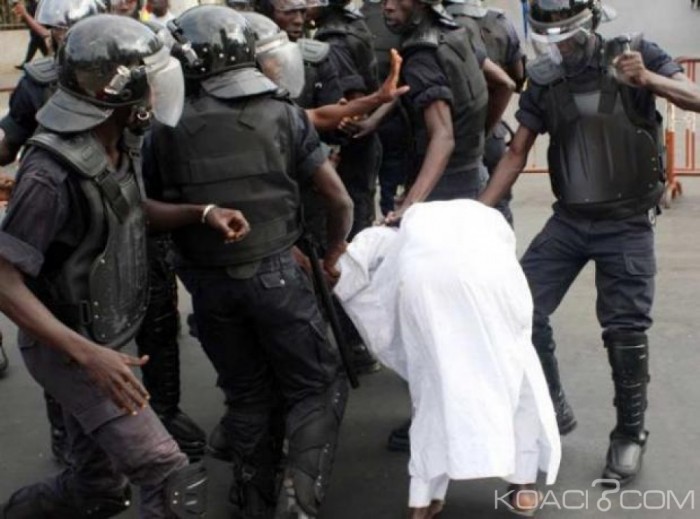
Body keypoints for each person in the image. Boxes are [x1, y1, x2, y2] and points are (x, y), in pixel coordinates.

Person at [0, 13, 253, 517]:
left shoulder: (117, 143)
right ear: (120, 94)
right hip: (74, 349)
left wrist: (201, 213)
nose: (157, 98)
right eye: (150, 86)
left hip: (110, 337)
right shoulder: (48, 173)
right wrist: (89, 357)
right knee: (169, 470)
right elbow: (4, 280)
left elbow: (127, 208)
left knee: (97, 487)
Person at [479, 0, 700, 487]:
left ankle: (629, 432)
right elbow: (517, 152)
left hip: (626, 221)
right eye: (549, 38)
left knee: (625, 330)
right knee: (520, 307)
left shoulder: (635, 54)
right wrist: (478, 211)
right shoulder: (544, 77)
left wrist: (650, 81)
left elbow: (694, 96)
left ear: (593, 23)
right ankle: (551, 407)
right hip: (570, 221)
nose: (559, 47)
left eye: (568, 37)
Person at [152, 6, 354, 517]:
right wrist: (332, 254)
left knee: (246, 393)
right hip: (278, 274)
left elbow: (147, 211)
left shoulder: (164, 129)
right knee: (317, 383)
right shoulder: (284, 112)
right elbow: (340, 201)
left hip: (208, 285)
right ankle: (300, 496)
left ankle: (252, 492)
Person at [335, 200, 561, 517]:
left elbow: (346, 273)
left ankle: (423, 500)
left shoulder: (385, 236)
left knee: (433, 387)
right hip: (489, 279)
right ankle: (523, 485)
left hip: (424, 283)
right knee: (517, 376)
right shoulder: (483, 218)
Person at [362, 0, 514, 453]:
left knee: (432, 325)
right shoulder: (460, 33)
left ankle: (438, 423)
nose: (387, 5)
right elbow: (503, 83)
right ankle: (508, 417)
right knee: (487, 314)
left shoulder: (421, 52)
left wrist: (411, 204)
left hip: (444, 203)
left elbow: (441, 136)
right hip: (476, 183)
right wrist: (481, 137)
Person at [445, 0, 525, 225]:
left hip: (453, 134)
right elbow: (518, 77)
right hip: (493, 129)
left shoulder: (439, 25)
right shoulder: (501, 22)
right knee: (499, 208)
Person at [12, 0, 51, 69]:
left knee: (34, 45)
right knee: (41, 46)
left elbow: (29, 18)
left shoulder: (32, 6)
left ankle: (26, 63)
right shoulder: (34, 5)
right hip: (36, 30)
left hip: (36, 30)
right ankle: (50, 61)